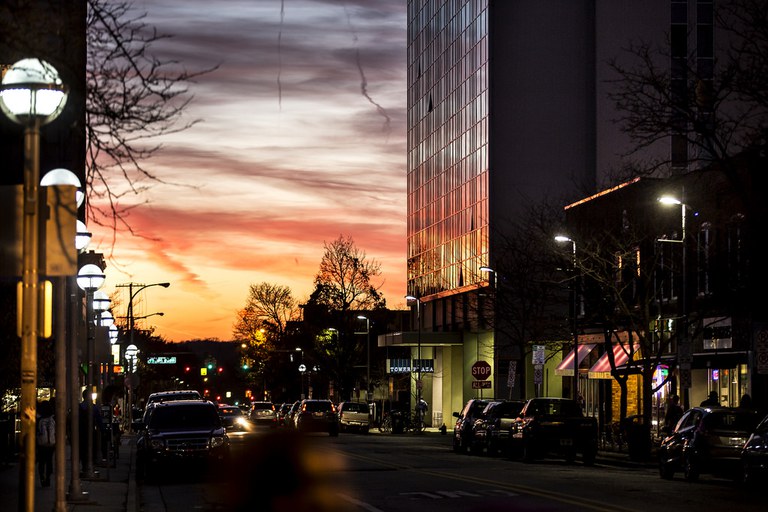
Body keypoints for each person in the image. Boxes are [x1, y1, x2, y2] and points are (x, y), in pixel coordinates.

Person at [36, 400, 55, 487]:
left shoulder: (39, 419)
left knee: (41, 462)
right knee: (49, 461)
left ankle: (42, 477)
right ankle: (48, 478)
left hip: (41, 444)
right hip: (51, 444)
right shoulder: (52, 419)